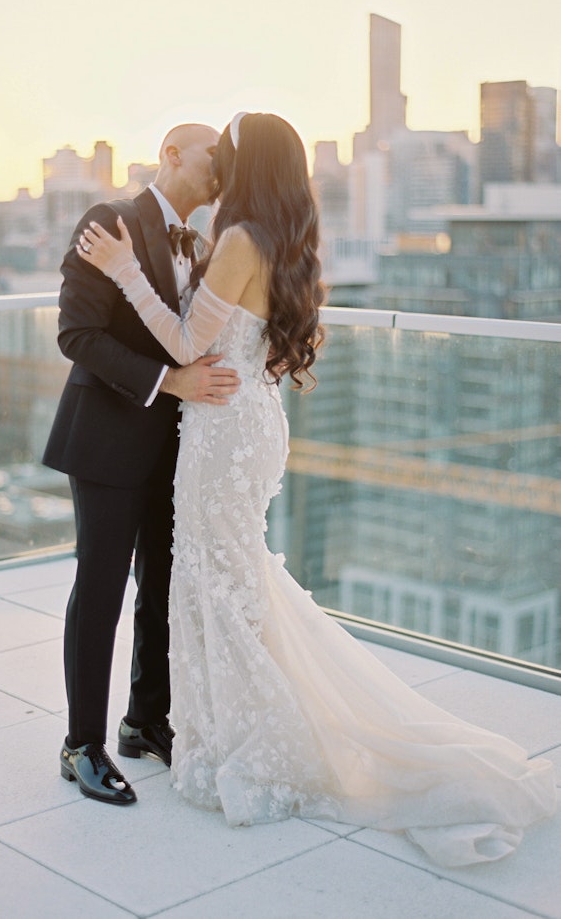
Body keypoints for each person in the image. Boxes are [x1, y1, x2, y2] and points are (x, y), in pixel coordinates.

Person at [77, 112, 556, 865]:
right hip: (251, 422)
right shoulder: (281, 242)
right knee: (235, 583)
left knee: (219, 585)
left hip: (223, 429)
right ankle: (218, 726)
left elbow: (184, 344)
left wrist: (125, 271)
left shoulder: (237, 242)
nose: (221, 172)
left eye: (231, 158)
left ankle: (257, 741)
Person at [43, 123, 240, 806]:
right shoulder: (111, 220)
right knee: (100, 589)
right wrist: (169, 381)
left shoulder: (216, 244)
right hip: (106, 439)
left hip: (179, 446)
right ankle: (81, 745)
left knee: (162, 583)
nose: (224, 168)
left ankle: (143, 720)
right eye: (216, 155)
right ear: (173, 153)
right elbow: (77, 333)